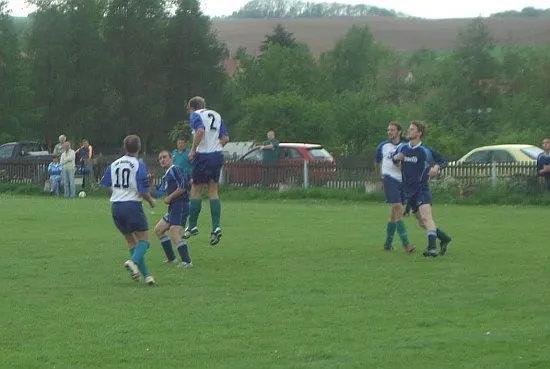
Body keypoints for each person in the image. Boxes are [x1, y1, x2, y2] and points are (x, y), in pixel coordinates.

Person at [100, 135, 157, 285]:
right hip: (132, 205)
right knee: (144, 241)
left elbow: (105, 183)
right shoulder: (138, 164)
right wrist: (151, 201)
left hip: (116, 207)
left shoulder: (114, 164)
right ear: (138, 148)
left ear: (125, 147)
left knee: (132, 242)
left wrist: (117, 192)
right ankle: (132, 262)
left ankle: (147, 276)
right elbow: (143, 190)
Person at [392, 121, 452, 257]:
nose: (409, 131)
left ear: (419, 133)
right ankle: (444, 238)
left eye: (412, 129)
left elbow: (443, 161)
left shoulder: (425, 150)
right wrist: (397, 157)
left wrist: (436, 167)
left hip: (422, 188)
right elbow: (394, 160)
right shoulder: (402, 148)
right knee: (421, 222)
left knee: (426, 217)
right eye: (409, 129)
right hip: (409, 191)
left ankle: (431, 248)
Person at [184, 96, 230, 246]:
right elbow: (225, 138)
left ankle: (192, 226)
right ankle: (216, 227)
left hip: (202, 156)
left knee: (196, 190)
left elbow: (200, 130)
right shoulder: (216, 115)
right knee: (213, 190)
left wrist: (193, 150)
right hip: (217, 155)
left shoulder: (195, 115)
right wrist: (215, 147)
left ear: (192, 107)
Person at [375, 122, 414, 253]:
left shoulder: (405, 146)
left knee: (394, 213)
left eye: (392, 130)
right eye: (388, 130)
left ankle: (387, 243)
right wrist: (380, 175)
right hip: (389, 178)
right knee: (398, 208)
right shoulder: (383, 146)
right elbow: (377, 161)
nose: (389, 132)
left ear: (399, 132)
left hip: (401, 180)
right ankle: (406, 244)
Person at [150, 150, 193, 268]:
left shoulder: (175, 169)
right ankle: (172, 259)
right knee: (158, 230)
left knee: (174, 231)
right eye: (160, 158)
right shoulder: (166, 175)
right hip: (173, 207)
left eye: (164, 157)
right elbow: (156, 194)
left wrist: (170, 197)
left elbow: (184, 186)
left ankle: (187, 262)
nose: (162, 160)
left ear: (171, 158)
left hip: (181, 204)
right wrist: (151, 183)